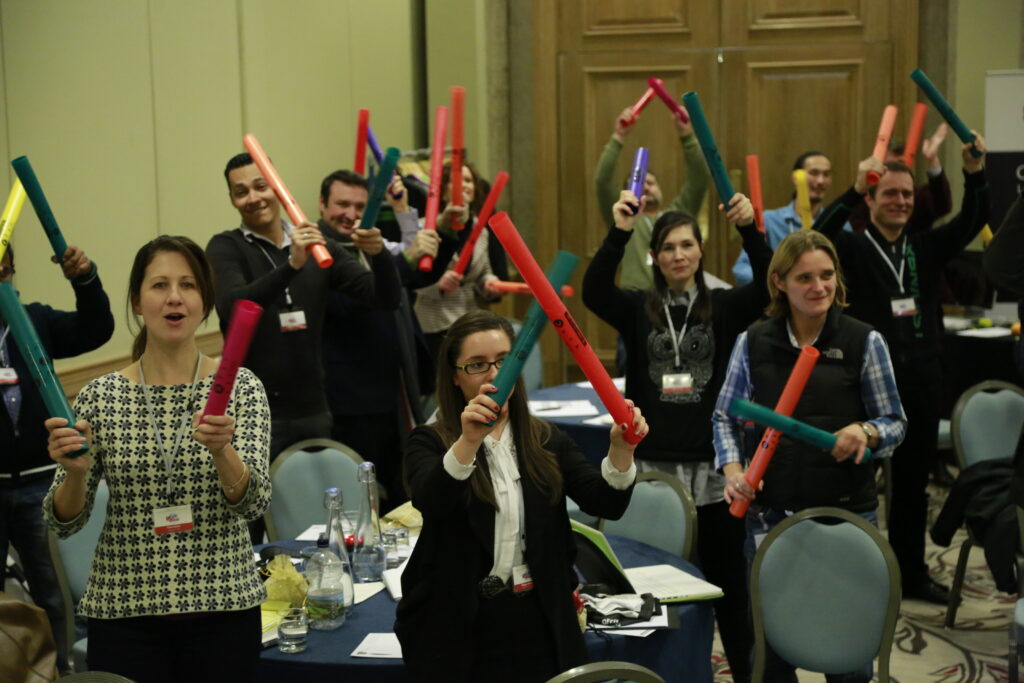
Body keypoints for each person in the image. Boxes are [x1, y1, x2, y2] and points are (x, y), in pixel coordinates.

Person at [42, 236, 272, 682]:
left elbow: (253, 505)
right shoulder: (100, 397)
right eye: (160, 285)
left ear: (204, 302)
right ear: (136, 301)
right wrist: (74, 474)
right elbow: (63, 521)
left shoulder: (241, 389)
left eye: (188, 285)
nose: (174, 297)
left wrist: (223, 452)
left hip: (223, 608)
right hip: (126, 615)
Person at [395, 310, 647, 682]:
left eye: (504, 361)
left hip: (539, 614)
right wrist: (469, 441)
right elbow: (432, 500)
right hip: (460, 622)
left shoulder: (544, 438)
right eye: (477, 365)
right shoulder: (430, 440)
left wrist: (622, 452)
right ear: (454, 376)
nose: (495, 374)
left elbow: (605, 503)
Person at [583, 187, 770, 682]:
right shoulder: (638, 307)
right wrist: (620, 232)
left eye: (687, 245)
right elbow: (593, 290)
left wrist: (750, 229)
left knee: (729, 583)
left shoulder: (726, 306)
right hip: (655, 471)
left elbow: (772, 286)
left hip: (714, 468)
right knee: (652, 585)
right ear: (655, 256)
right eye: (668, 247)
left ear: (701, 251)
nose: (678, 255)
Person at [713, 230, 907, 683]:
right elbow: (724, 418)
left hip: (846, 519)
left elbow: (896, 423)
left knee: (848, 657)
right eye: (805, 278)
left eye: (827, 275)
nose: (819, 287)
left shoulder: (865, 341)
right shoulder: (753, 341)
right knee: (772, 654)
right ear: (779, 282)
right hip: (770, 521)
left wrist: (866, 431)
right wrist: (735, 470)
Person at [813, 134, 988, 603]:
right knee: (851, 484)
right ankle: (848, 575)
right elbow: (816, 235)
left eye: (907, 194)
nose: (900, 201)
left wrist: (974, 173)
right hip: (861, 384)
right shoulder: (848, 249)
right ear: (869, 200)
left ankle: (910, 574)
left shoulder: (923, 246)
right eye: (889, 192)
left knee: (913, 486)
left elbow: (973, 219)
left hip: (922, 380)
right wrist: (848, 188)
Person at [206, 153, 401, 462]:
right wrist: (292, 266)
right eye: (241, 192)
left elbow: (384, 298)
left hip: (314, 407)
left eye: (260, 186)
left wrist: (379, 256)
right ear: (232, 199)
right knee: (261, 507)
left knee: (320, 503)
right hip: (253, 411)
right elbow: (234, 308)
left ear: (277, 187)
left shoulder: (316, 242)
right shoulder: (225, 246)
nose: (253, 198)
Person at [0, 244, 113, 672]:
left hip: (40, 480)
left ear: (11, 271)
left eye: (3, 271)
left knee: (55, 594)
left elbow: (96, 329)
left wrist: (84, 280)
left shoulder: (35, 321)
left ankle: (63, 672)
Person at [317, 168, 449, 509]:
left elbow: (421, 273)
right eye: (342, 204)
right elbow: (357, 302)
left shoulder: (369, 243)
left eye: (360, 206)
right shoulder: (318, 252)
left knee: (403, 493)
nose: (351, 214)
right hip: (351, 400)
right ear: (321, 204)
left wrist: (440, 232)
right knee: (361, 500)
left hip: (395, 393)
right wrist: (400, 260)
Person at [594, 107, 717, 291]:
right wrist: (618, 136)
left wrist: (687, 135)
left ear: (660, 189)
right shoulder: (623, 218)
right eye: (639, 183)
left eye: (651, 183)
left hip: (676, 296)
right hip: (636, 298)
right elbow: (602, 181)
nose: (645, 187)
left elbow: (699, 177)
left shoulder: (677, 215)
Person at [413, 161, 502, 362]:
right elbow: (410, 279)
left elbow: (484, 270)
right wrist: (439, 284)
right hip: (435, 324)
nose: (465, 185)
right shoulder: (425, 228)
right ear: (443, 191)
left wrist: (489, 283)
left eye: (469, 181)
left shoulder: (481, 230)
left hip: (470, 321)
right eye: (457, 180)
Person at [732, 151, 851, 285]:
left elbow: (848, 272)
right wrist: (780, 284)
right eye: (814, 173)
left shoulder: (840, 224)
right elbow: (741, 270)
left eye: (826, 174)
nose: (820, 181)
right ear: (796, 177)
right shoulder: (770, 220)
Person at [847, 124, 953, 234]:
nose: (900, 201)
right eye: (889, 166)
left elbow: (942, 205)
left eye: (901, 165)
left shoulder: (917, 196)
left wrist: (932, 160)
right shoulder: (863, 200)